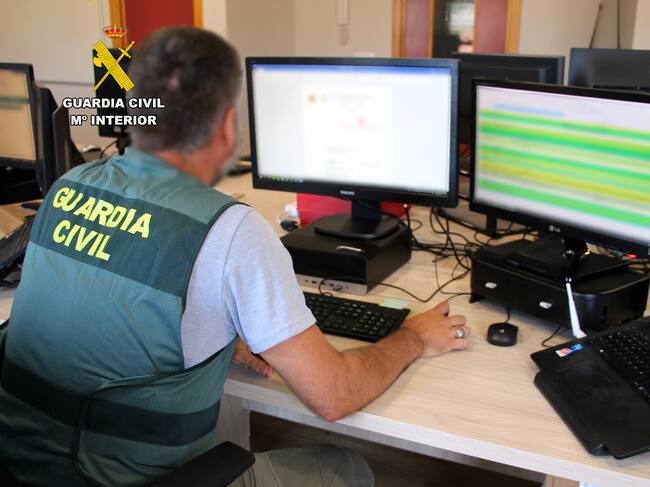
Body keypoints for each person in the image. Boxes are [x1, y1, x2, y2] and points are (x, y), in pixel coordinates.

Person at [0, 27, 471, 486]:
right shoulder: (229, 232)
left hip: (17, 461)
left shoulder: (68, 186)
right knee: (345, 467)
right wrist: (413, 338)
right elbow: (334, 395)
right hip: (113, 477)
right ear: (226, 127)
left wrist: (219, 331)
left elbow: (110, 306)